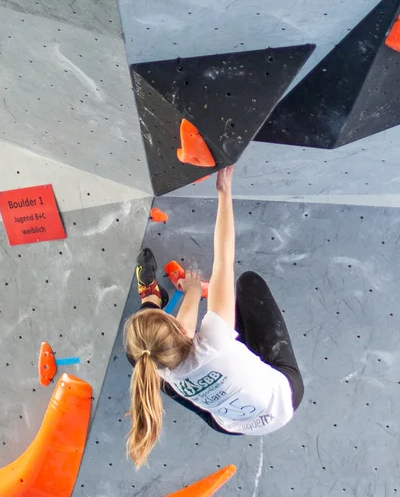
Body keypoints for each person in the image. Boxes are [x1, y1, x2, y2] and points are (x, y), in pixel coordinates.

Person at [124, 166, 304, 467]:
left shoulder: (161, 371)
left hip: (230, 425)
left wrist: (194, 294)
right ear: (181, 330)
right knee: (248, 282)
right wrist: (224, 191)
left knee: (142, 355)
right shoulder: (213, 339)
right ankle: (156, 303)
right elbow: (224, 257)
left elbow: (177, 339)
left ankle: (152, 299)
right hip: (284, 399)